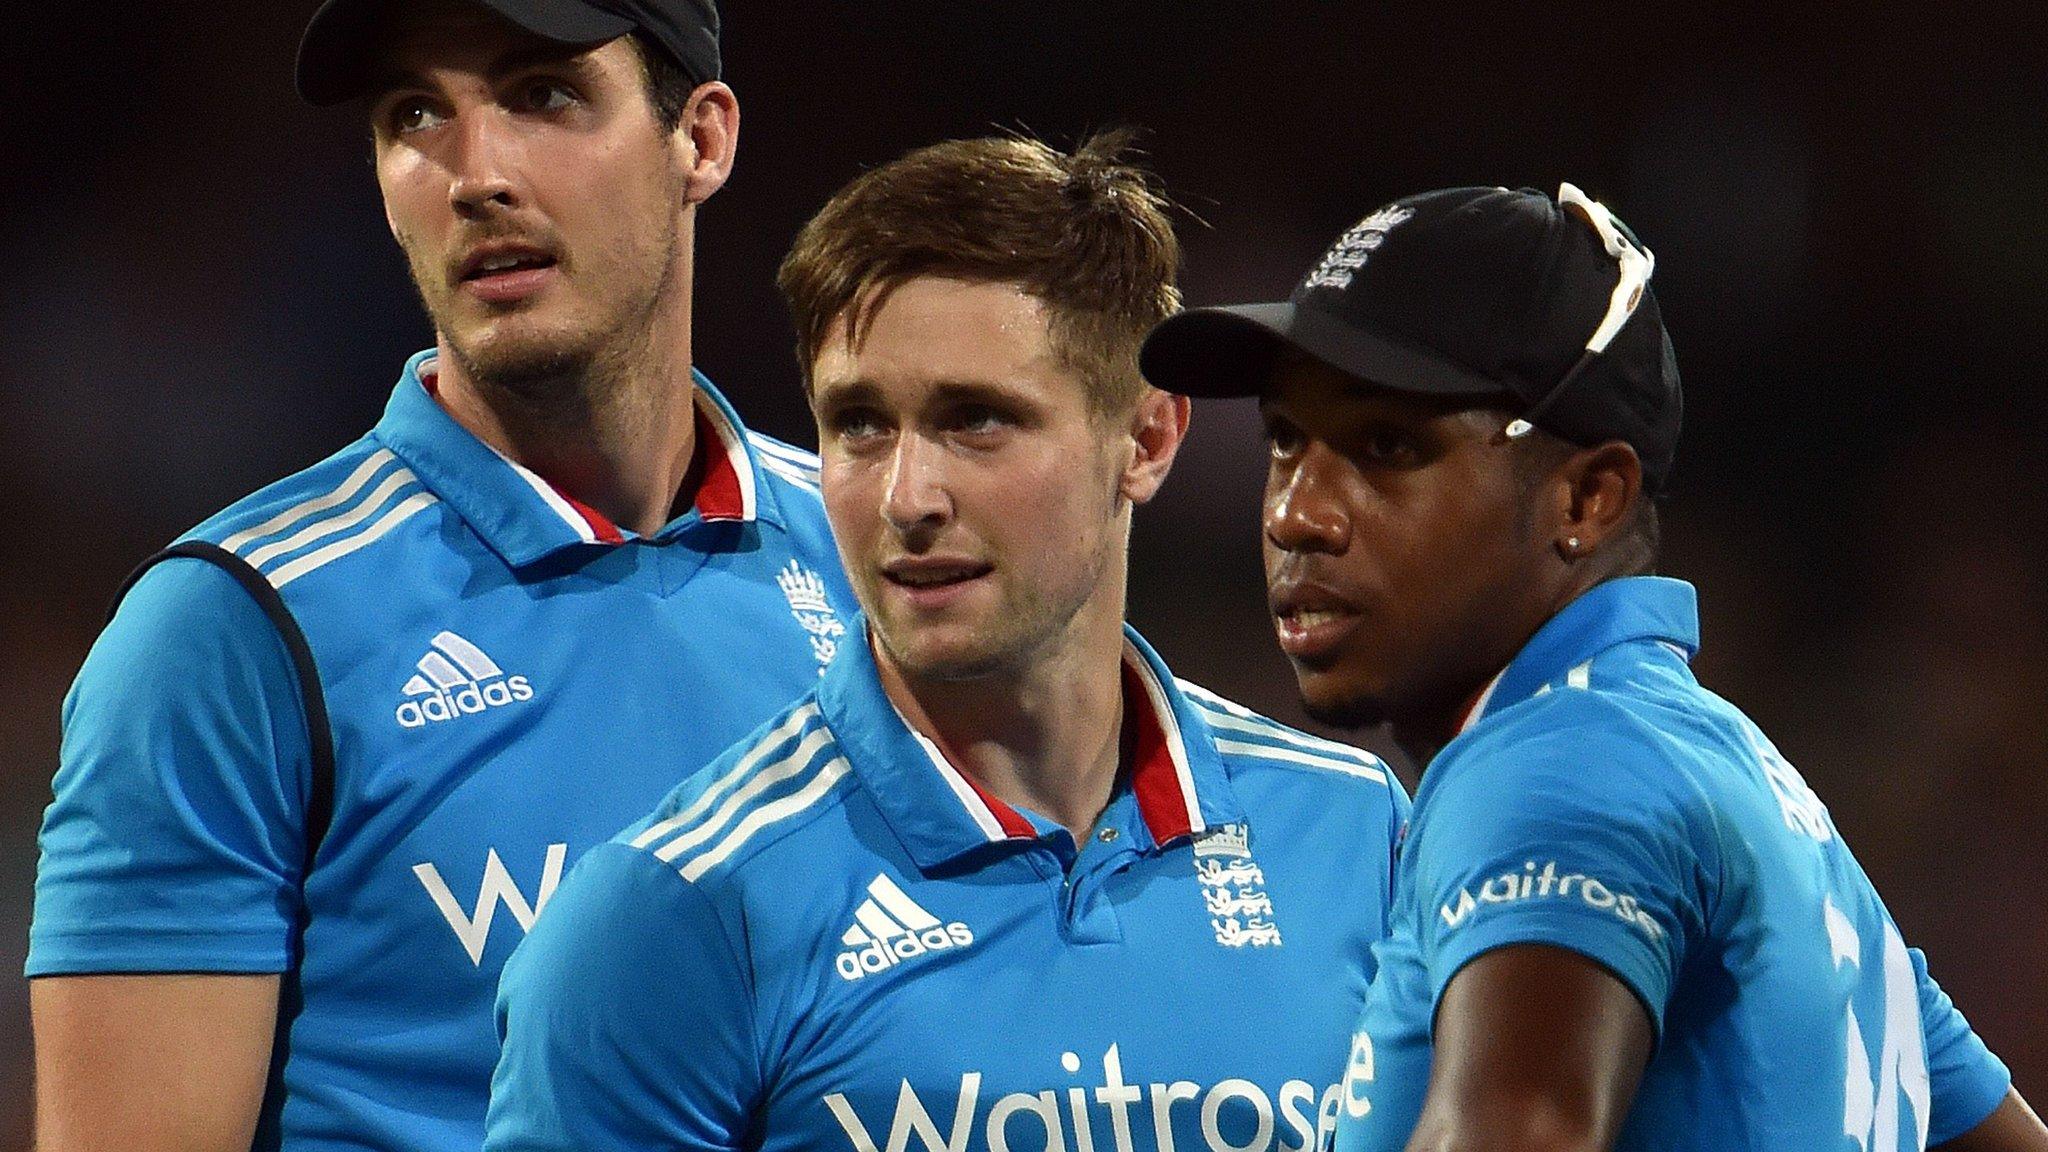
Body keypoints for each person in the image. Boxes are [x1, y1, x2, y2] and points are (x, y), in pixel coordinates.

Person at [27, 2, 855, 1150]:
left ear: (700, 141)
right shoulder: (230, 635)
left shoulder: (874, 560)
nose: (475, 174)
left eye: (543, 95)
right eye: (415, 114)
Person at [483, 132, 1410, 1152]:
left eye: (975, 421)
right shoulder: (670, 919)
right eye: (859, 424)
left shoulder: (1355, 836)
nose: (906, 498)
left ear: (1144, 439)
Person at [1138, 184, 2048, 1151]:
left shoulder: (1555, 772)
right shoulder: (1743, 779)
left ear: (1588, 498)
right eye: (1286, 441)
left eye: (1386, 445)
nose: (1296, 514)